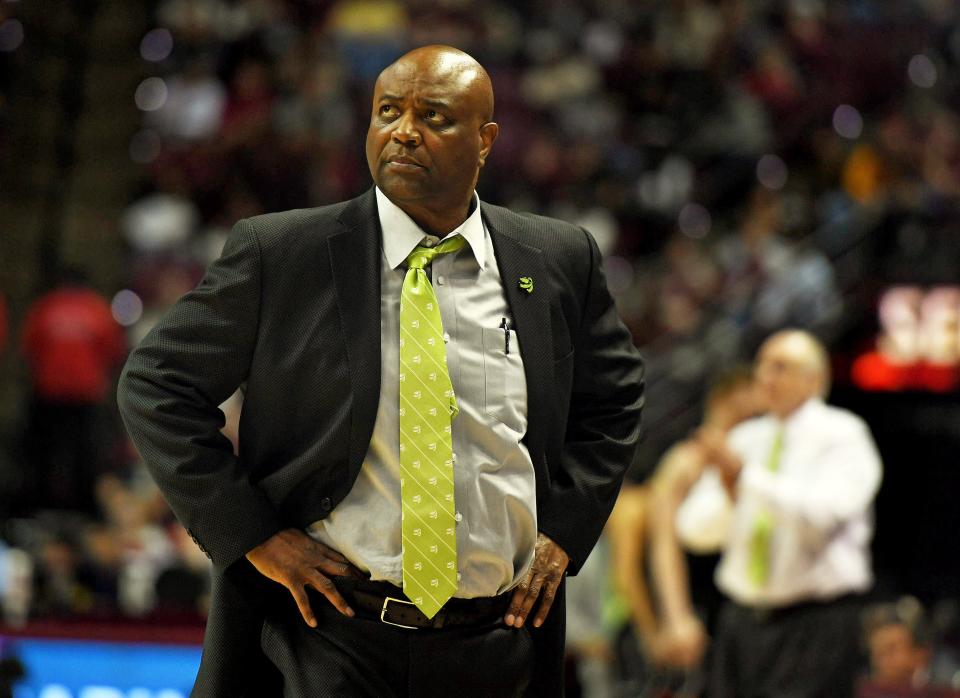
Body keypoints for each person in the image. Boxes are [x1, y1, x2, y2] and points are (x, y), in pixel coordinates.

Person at [117, 45, 645, 697]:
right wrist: (253, 536)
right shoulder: (284, 255)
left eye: (433, 115)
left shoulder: (559, 259)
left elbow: (615, 399)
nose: (403, 130)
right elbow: (156, 386)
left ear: (485, 141)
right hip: (331, 636)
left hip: (500, 642)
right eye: (387, 112)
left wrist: (565, 531)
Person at [682, 329, 882, 697]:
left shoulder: (844, 435)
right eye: (761, 366)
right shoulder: (746, 438)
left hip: (814, 624)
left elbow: (823, 515)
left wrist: (746, 479)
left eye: (780, 367)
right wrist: (729, 497)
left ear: (814, 379)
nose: (765, 377)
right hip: (741, 623)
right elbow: (693, 531)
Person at [606, 366, 757, 695]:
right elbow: (660, 546)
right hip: (687, 605)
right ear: (723, 400)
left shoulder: (747, 458)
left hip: (730, 605)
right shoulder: (683, 461)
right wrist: (674, 617)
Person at [20, 266, 127, 514]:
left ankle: (43, 506)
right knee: (85, 454)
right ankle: (83, 509)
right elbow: (113, 352)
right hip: (85, 396)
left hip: (49, 394)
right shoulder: (97, 309)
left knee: (46, 453)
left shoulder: (45, 306)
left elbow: (30, 349)